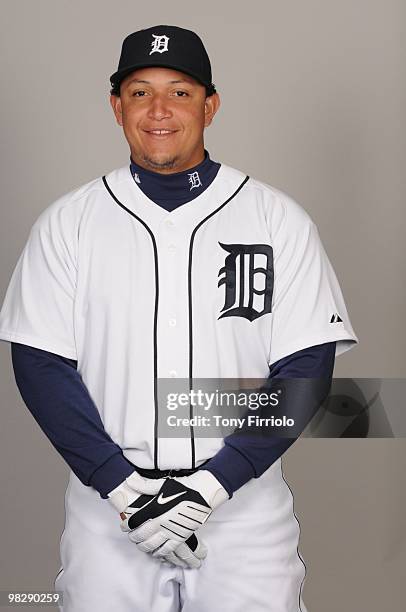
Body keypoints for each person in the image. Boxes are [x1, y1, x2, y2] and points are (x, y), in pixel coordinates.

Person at [0, 24, 358, 611]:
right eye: (140, 92)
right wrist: (120, 487)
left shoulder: (275, 218)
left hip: (243, 508)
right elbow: (40, 364)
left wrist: (213, 488)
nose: (159, 109)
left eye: (181, 91)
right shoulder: (69, 222)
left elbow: (306, 369)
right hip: (109, 508)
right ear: (116, 107)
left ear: (210, 105)